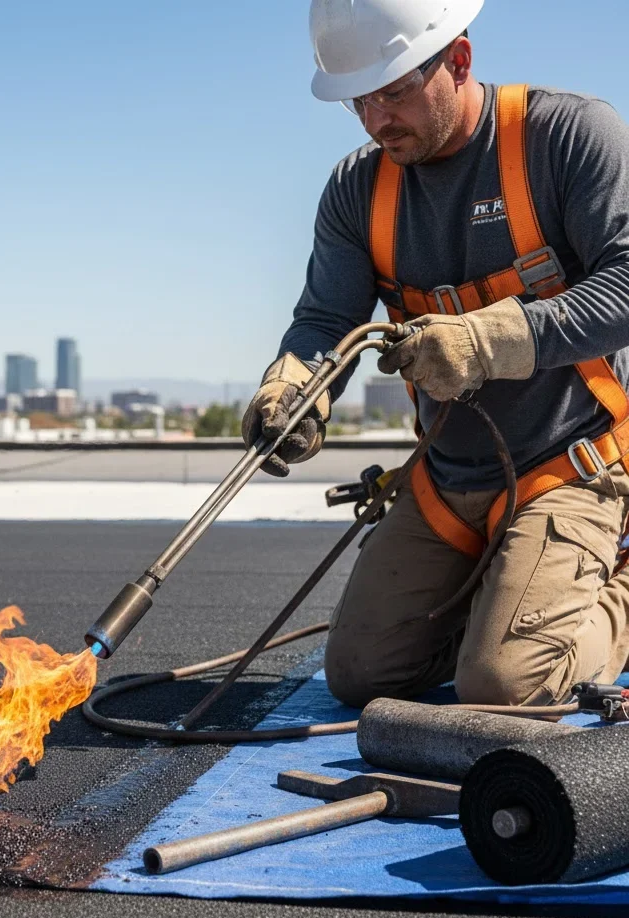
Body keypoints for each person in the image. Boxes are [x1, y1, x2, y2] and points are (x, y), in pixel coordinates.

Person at [242, 0, 629, 709]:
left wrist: (489, 340)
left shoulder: (566, 136)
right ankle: (507, 603)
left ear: (459, 60)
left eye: (393, 92)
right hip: (449, 479)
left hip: (573, 464)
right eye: (359, 101)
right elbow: (326, 319)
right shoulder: (358, 189)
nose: (376, 120)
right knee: (362, 675)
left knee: (507, 685)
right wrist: (296, 383)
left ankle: (614, 597)